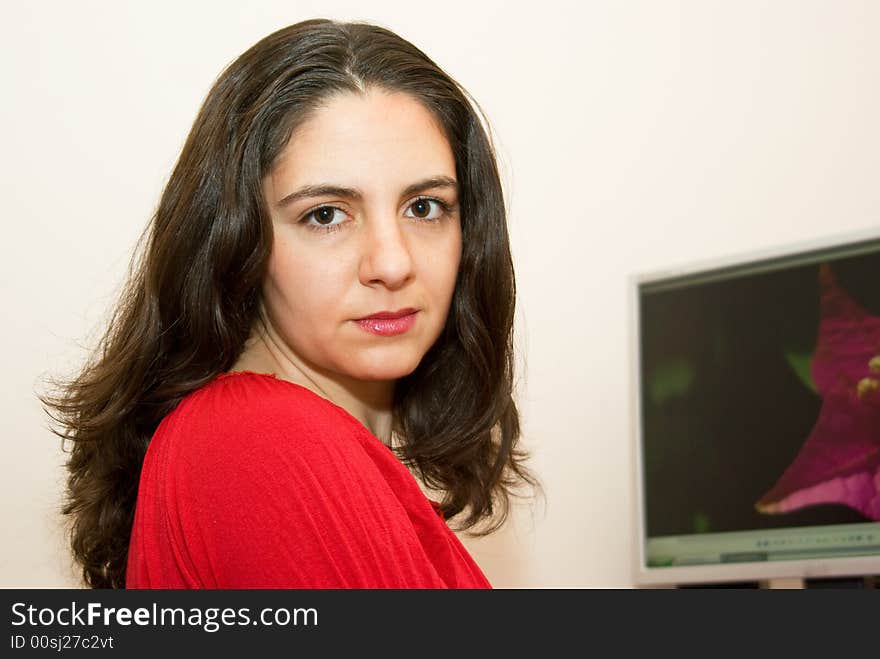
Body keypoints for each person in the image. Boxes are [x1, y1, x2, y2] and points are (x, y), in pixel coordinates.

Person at [43, 18, 537, 589]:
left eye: (424, 207)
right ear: (237, 241)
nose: (393, 263)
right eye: (326, 214)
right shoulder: (258, 442)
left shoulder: (289, 448)